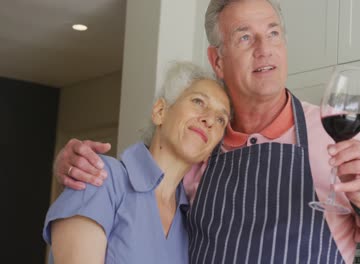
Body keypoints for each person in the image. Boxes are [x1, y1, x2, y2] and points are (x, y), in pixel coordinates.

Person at [52, 0, 360, 263]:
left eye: (272, 33)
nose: (265, 50)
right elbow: (135, 189)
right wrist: (77, 166)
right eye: (245, 37)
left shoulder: (334, 138)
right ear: (218, 60)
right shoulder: (198, 147)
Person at [43, 61, 231, 263]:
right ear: (160, 111)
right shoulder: (99, 176)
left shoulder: (190, 223)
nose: (210, 120)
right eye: (198, 102)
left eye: (221, 119)